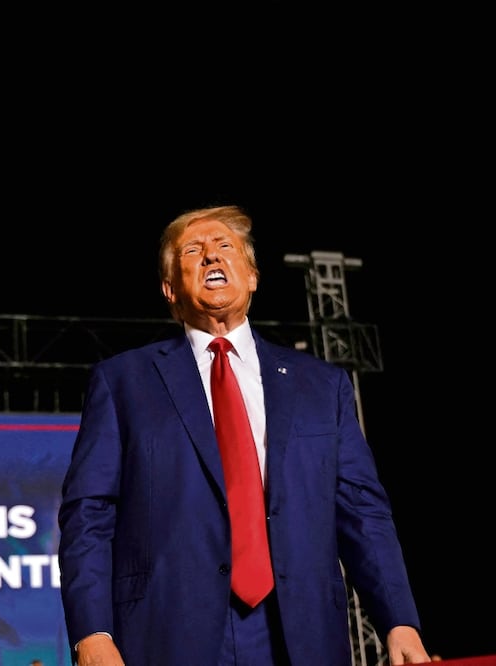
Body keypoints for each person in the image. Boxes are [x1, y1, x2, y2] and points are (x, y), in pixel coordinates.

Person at [57, 204, 431, 665]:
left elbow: (362, 511)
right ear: (170, 288)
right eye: (193, 251)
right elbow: (88, 516)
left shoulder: (321, 386)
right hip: (168, 632)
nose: (212, 256)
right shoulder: (123, 382)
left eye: (225, 246)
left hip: (301, 634)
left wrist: (398, 620)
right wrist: (92, 632)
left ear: (252, 276)